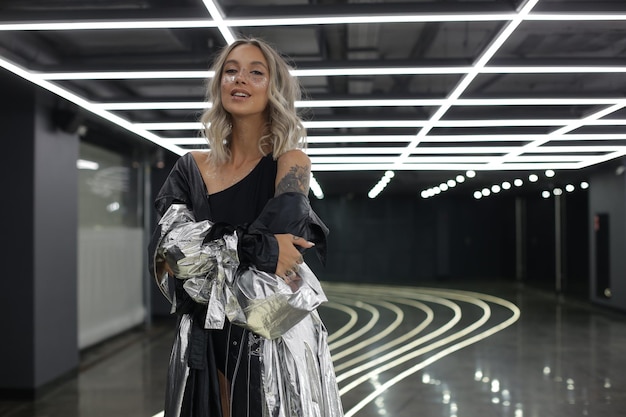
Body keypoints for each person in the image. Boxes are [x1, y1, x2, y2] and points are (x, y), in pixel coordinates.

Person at [148, 38, 344, 417]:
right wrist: (253, 248)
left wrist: (218, 251)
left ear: (274, 89)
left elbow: (278, 255)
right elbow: (172, 255)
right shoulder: (190, 167)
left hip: (269, 336)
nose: (241, 79)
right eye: (231, 70)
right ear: (219, 83)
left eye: (256, 72)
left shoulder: (291, 163)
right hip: (202, 338)